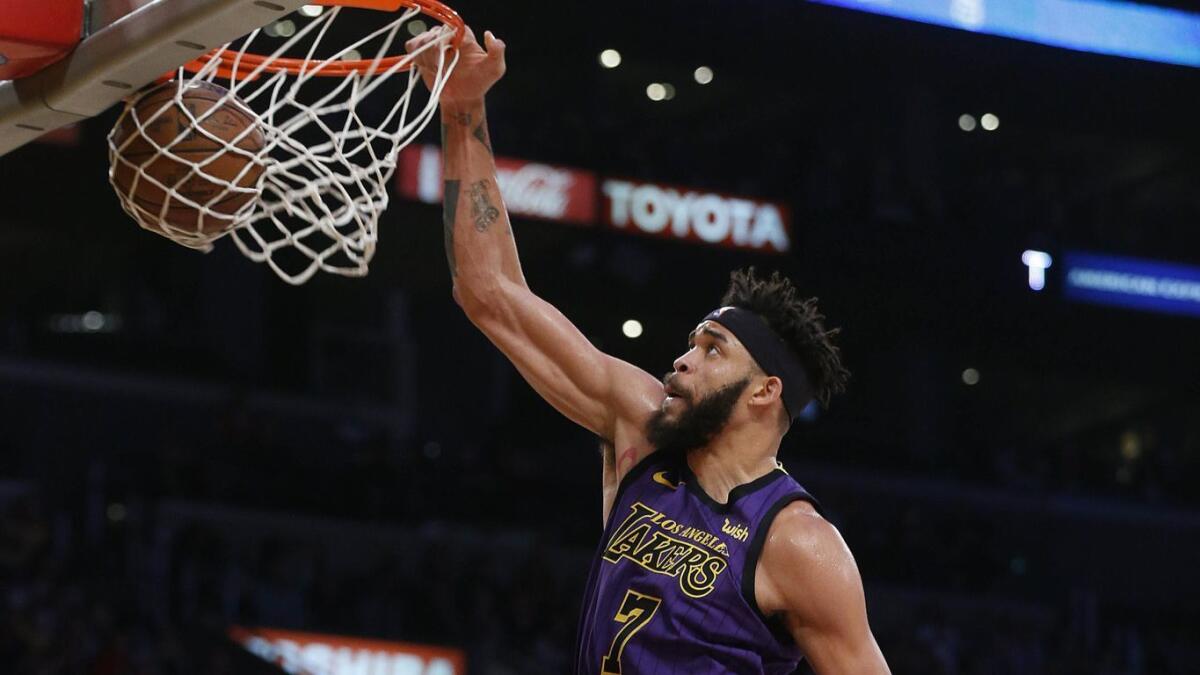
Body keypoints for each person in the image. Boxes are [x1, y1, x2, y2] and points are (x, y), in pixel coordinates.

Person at [407, 25, 891, 675]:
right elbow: (487, 290)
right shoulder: (642, 425)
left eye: (713, 349)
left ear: (765, 390)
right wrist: (463, 107)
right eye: (691, 341)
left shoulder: (800, 543)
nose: (683, 358)